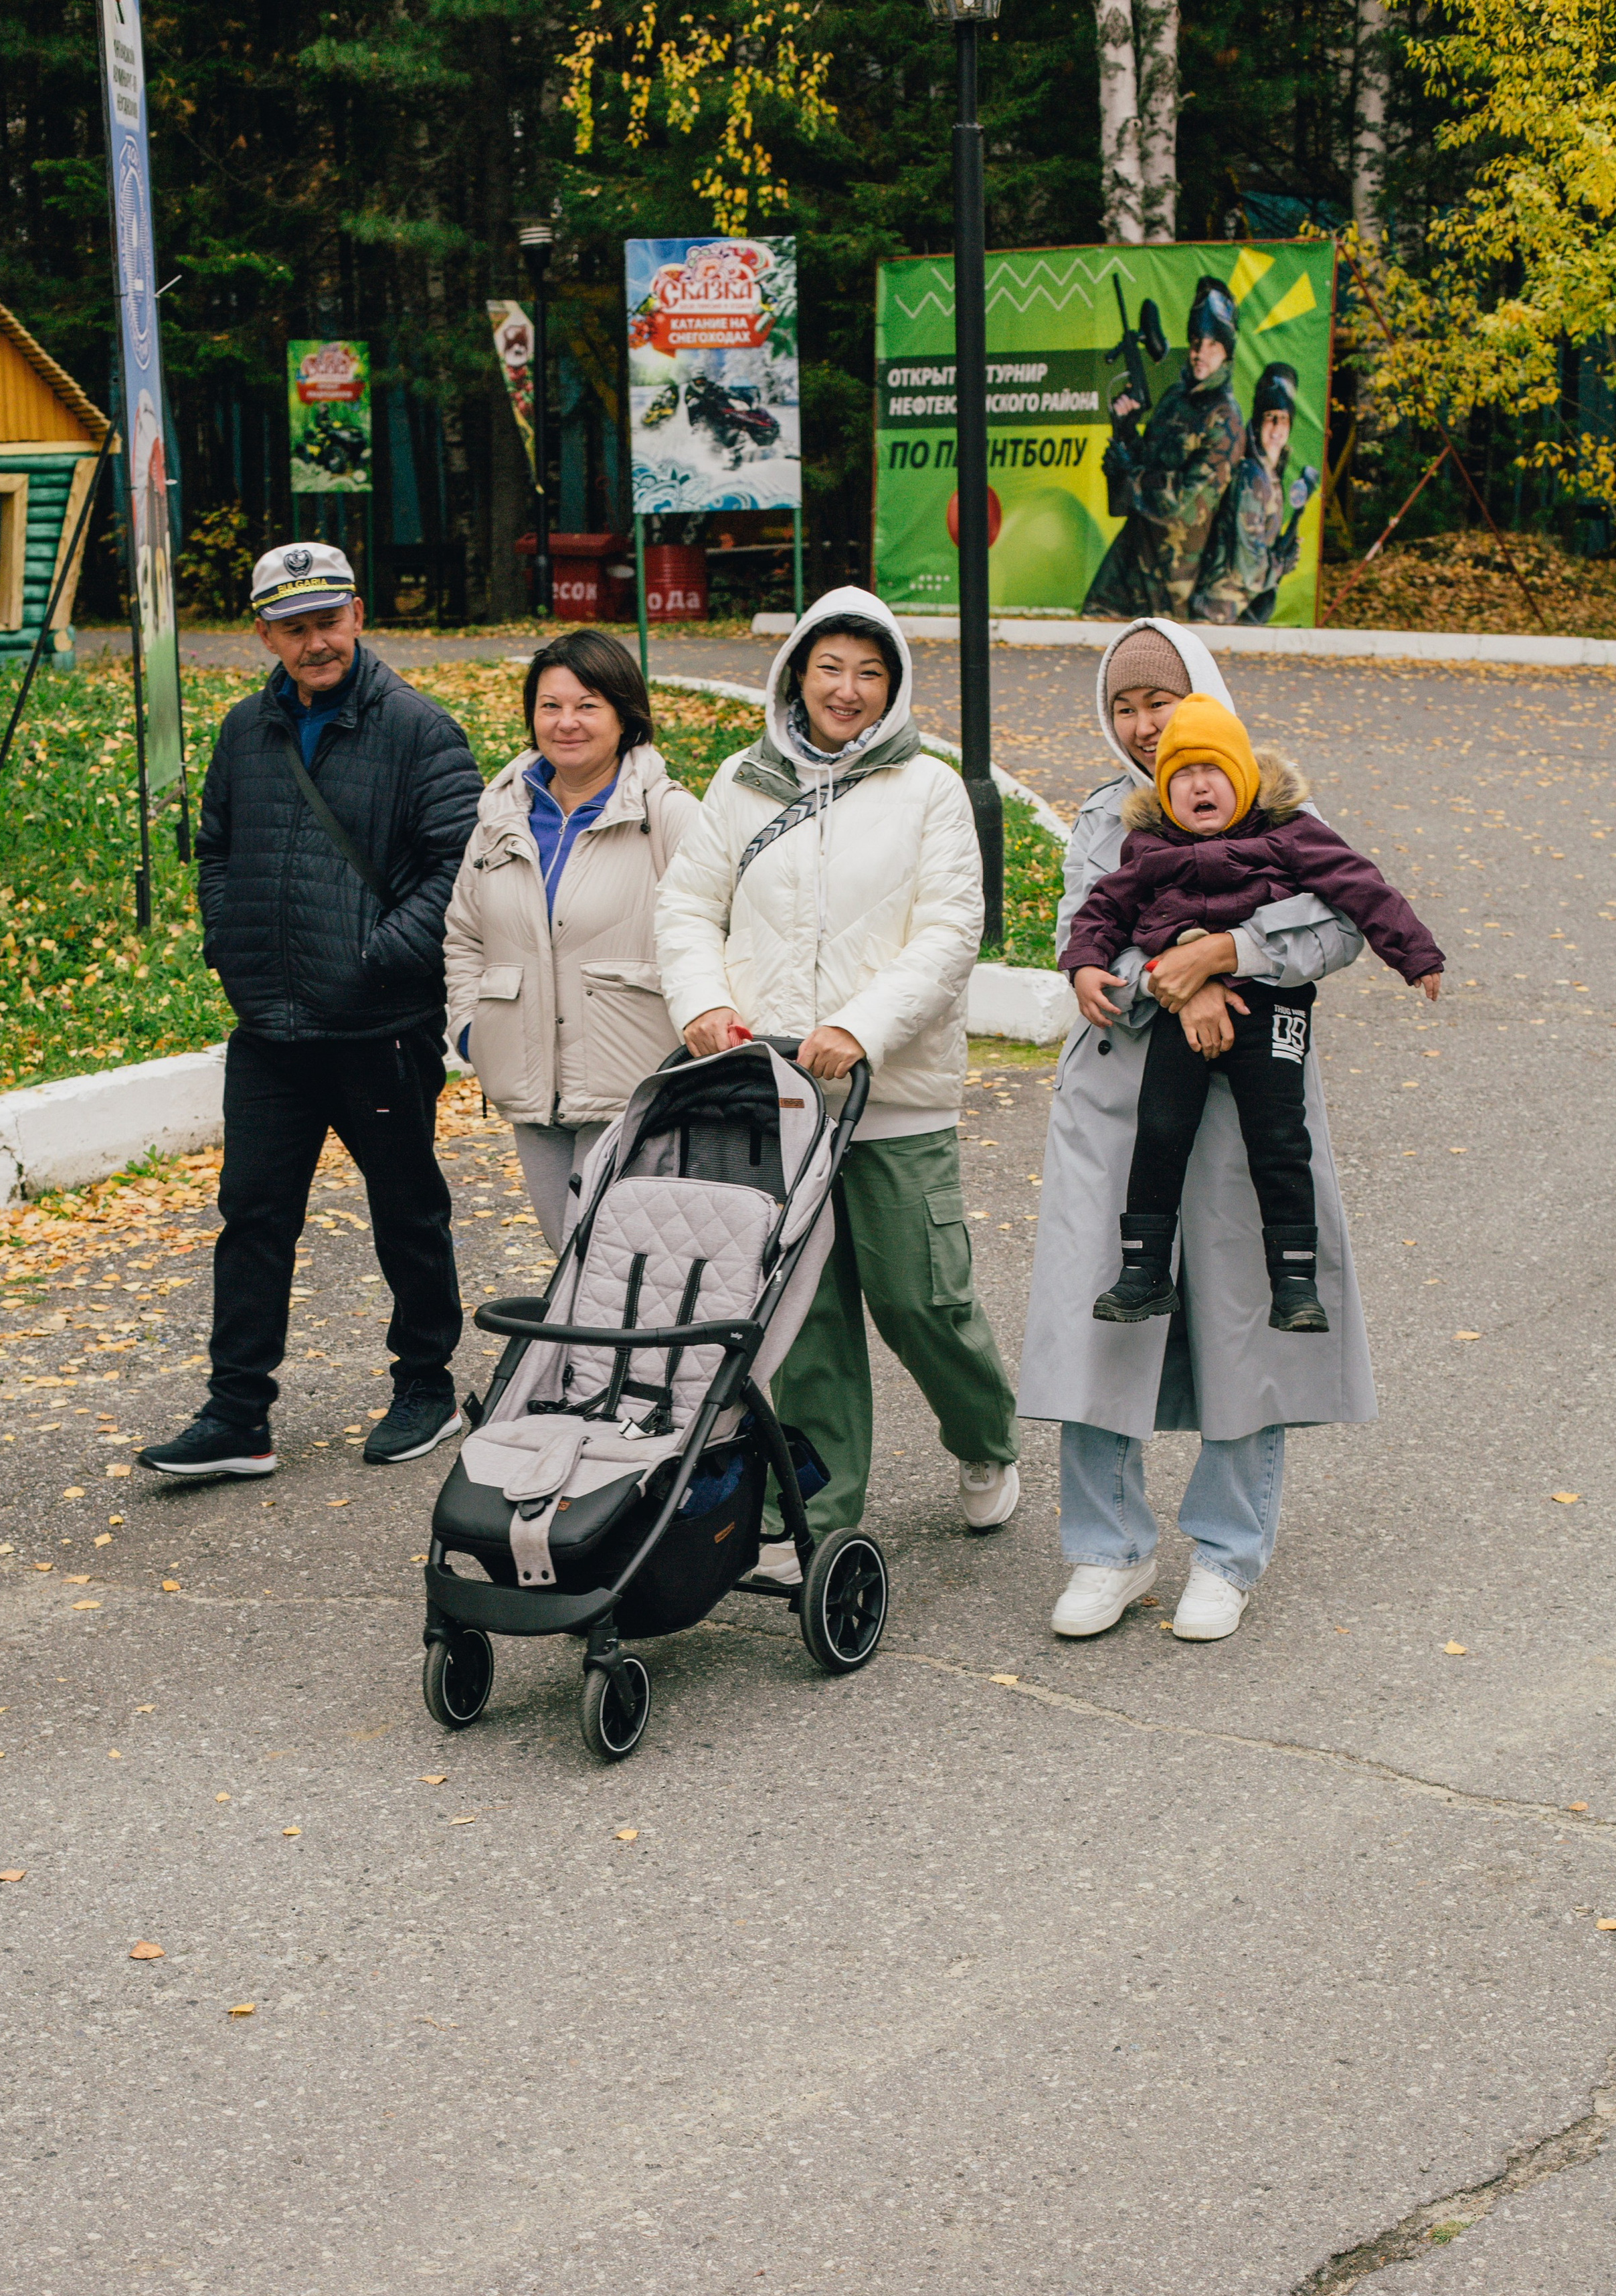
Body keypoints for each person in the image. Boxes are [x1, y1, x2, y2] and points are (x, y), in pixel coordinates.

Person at [1016, 618, 1374, 1644]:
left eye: (1158, 699)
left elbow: (1340, 924)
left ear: (1202, 693)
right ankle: (1106, 1548)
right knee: (1102, 1310)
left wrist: (1226, 952)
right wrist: (1175, 987)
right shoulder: (1104, 816)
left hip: (1248, 1106)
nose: (1140, 724)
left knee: (1243, 1311)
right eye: (1124, 705)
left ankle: (1228, 1549)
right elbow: (1078, 939)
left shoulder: (1279, 805)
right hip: (1118, 1105)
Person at [655, 588, 1020, 1579]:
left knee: (920, 1298)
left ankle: (986, 1437)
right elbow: (688, 905)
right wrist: (701, 1006)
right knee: (804, 1320)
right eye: (829, 669)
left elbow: (951, 933)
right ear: (796, 675)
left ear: (893, 687)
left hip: (892, 1098)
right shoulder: (743, 781)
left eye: (868, 673)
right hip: (776, 1097)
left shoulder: (929, 790)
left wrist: (860, 1028)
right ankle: (816, 1512)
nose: (846, 690)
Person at [139, 542, 482, 1481]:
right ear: (265, 635)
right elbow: (214, 848)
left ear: (358, 616)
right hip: (271, 1031)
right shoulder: (245, 730)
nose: (316, 641)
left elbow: (460, 869)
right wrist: (230, 949)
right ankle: (237, 1413)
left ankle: (426, 1387)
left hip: (379, 1028)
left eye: (328, 620)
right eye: (294, 626)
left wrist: (374, 962)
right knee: (251, 1217)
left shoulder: (419, 729)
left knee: (407, 1212)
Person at [1067, 693, 1445, 1334]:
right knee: (1159, 1130)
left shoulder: (1290, 833)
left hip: (1272, 1006)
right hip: (1178, 1009)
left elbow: (1362, 888)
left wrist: (1414, 953)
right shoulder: (1150, 847)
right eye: (1182, 775)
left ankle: (1296, 1282)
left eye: (1213, 770)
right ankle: (1144, 1270)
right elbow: (1104, 909)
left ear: (1243, 779)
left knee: (1278, 1139)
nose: (1199, 785)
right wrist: (1085, 964)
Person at [444, 629, 699, 1251]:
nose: (567, 723)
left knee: (619, 1266)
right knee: (571, 1262)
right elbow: (463, 935)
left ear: (624, 715)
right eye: (550, 706)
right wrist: (475, 1032)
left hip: (634, 1087)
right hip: (532, 1087)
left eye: (587, 706)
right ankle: (590, 1357)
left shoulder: (666, 815)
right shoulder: (500, 817)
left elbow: (709, 933)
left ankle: (619, 1357)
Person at [1082, 277, 1247, 623]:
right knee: (1093, 634)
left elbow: (1186, 504)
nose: (1200, 352)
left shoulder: (1226, 421)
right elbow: (1148, 460)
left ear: (1227, 351)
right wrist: (1126, 434)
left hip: (1175, 577)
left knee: (1159, 664)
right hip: (1132, 557)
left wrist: (1134, 476)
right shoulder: (1174, 399)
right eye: (1196, 342)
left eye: (1212, 345)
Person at [1190, 362, 1316, 626]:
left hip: (1233, 610)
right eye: (1270, 418)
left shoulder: (1269, 473)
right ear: (1258, 422)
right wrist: (1280, 565)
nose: (1276, 429)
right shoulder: (1252, 477)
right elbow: (1248, 570)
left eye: (1283, 419)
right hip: (1218, 612)